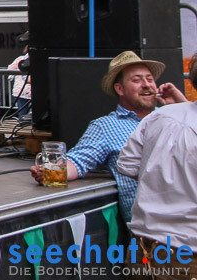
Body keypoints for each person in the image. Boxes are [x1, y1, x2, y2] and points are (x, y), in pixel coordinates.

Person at [29, 51, 185, 222]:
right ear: (119, 89)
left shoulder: (172, 117)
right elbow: (78, 161)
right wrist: (52, 171)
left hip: (188, 216)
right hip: (154, 226)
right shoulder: (105, 126)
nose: (146, 85)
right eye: (137, 80)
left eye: (149, 79)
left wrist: (182, 106)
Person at [118, 53, 197, 276]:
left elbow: (129, 165)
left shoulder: (160, 116)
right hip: (188, 254)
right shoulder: (163, 114)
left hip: (144, 245)